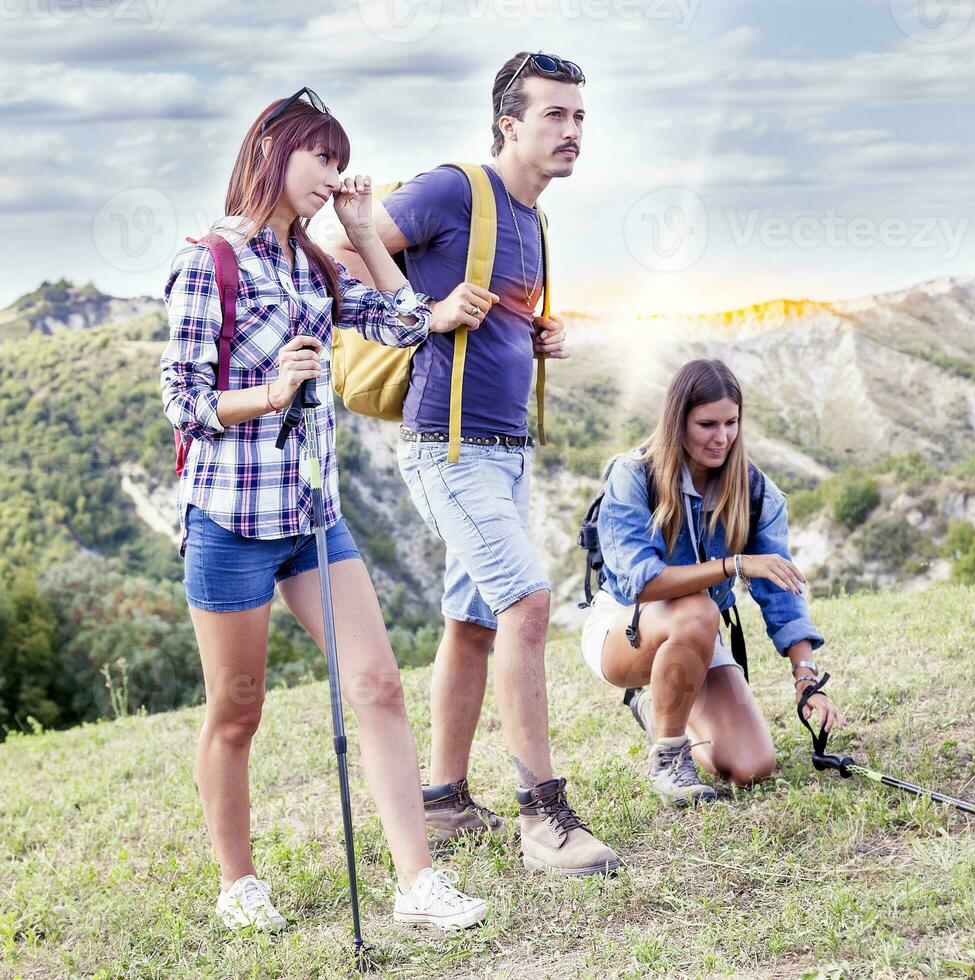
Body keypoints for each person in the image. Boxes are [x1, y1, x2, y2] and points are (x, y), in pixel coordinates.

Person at [161, 88, 486, 932]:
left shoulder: (312, 264)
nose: (333, 176)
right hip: (231, 522)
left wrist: (368, 226)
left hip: (312, 514)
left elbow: (409, 323)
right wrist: (268, 394)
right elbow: (182, 401)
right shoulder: (212, 262)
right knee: (237, 708)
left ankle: (417, 884)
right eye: (323, 160)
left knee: (377, 683)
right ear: (273, 151)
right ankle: (239, 884)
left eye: (342, 163)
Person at [326, 53, 619, 876]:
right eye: (554, 116)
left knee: (476, 619)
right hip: (447, 449)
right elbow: (340, 250)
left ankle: (446, 801)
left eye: (580, 117)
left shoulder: (535, 218)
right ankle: (544, 816)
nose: (571, 132)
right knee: (527, 601)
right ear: (509, 124)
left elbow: (494, 314)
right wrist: (421, 313)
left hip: (506, 451)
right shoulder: (454, 188)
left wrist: (535, 334)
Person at [582, 358, 846, 806]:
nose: (721, 437)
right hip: (625, 626)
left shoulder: (754, 490)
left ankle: (657, 705)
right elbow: (642, 583)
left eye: (731, 423)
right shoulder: (632, 474)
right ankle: (667, 759)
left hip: (695, 631)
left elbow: (781, 586)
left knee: (752, 766)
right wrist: (733, 566)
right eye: (706, 424)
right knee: (699, 608)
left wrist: (806, 679)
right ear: (677, 421)